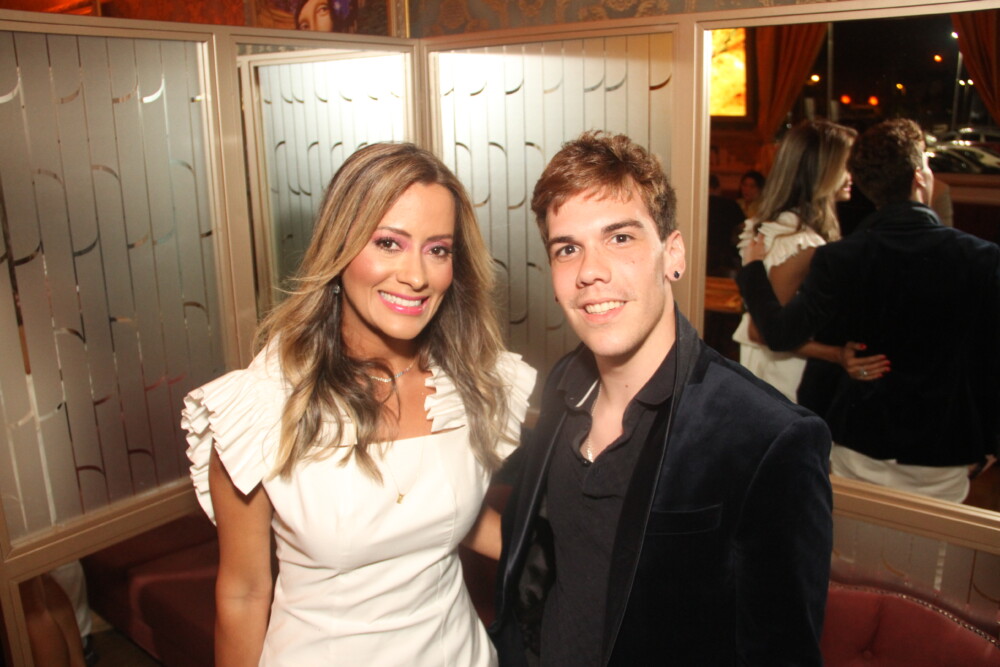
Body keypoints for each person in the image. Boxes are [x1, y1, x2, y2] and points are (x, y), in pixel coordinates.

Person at [182, 142, 535, 665]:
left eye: (438, 250)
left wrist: (586, 564)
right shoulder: (261, 408)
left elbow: (447, 516)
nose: (416, 275)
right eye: (389, 243)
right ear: (339, 247)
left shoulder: (469, 386)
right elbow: (244, 593)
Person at [491, 131, 833, 665]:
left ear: (672, 254)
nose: (590, 271)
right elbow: (549, 553)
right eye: (568, 249)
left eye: (620, 238)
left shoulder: (767, 438)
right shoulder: (562, 385)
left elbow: (781, 653)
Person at [738, 118, 1000, 503]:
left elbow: (779, 333)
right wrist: (991, 440)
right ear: (919, 177)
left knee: (854, 541)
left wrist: (751, 272)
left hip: (857, 436)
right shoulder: (982, 258)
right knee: (931, 543)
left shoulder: (839, 257)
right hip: (944, 445)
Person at [732, 120, 888, 402]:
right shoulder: (799, 242)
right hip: (784, 382)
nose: (851, 175)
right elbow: (761, 331)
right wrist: (837, 355)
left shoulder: (783, 229)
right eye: (845, 165)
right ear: (822, 170)